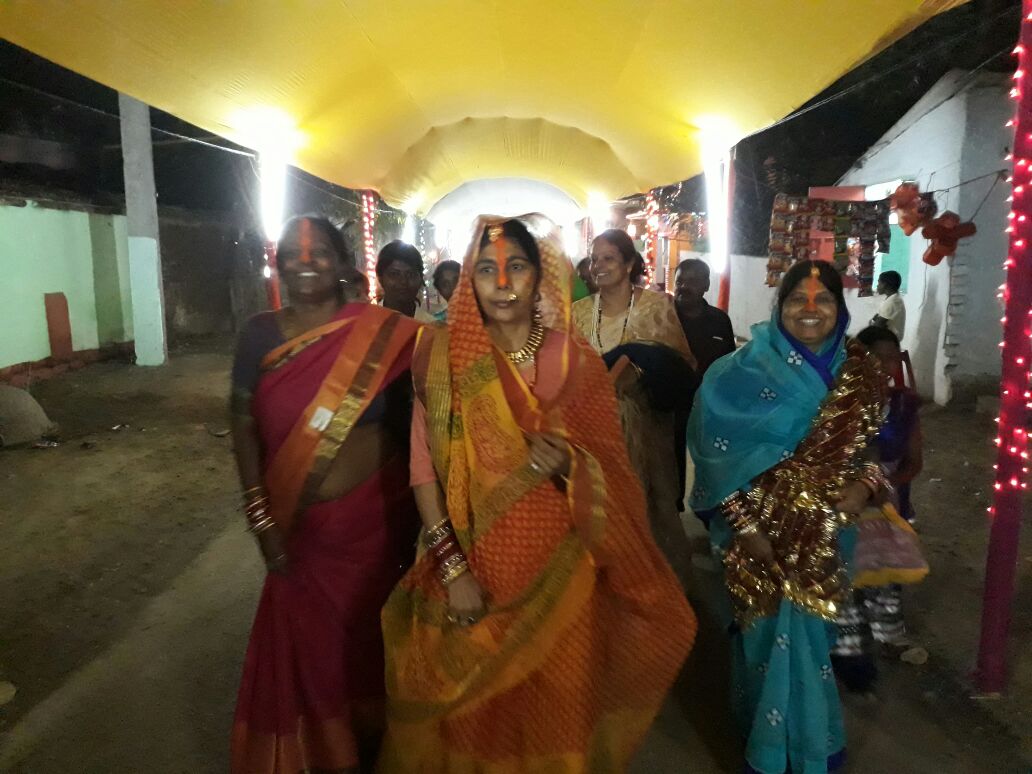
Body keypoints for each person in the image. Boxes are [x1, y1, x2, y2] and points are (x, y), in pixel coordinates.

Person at [379, 215, 696, 773]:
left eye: (516, 267)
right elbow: (423, 469)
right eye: (486, 269)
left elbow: (615, 476)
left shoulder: (576, 362)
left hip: (567, 574)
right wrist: (454, 571)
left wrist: (572, 463)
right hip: (473, 570)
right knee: (479, 716)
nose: (502, 283)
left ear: (538, 275)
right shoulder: (440, 359)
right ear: (468, 283)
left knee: (559, 712)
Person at [229, 215, 423, 774]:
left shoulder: (387, 334)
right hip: (297, 533)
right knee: (311, 658)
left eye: (319, 253)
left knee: (370, 649)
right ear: (277, 262)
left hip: (377, 530)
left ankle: (374, 753)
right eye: (292, 252)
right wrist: (260, 516)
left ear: (343, 264)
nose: (305, 260)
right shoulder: (260, 334)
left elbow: (420, 424)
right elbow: (240, 418)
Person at [687, 260, 889, 774]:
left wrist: (866, 486)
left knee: (812, 639)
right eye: (798, 298)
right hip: (756, 534)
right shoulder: (738, 372)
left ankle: (809, 745)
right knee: (763, 637)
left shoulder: (862, 372)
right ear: (781, 306)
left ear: (840, 309)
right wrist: (747, 527)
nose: (810, 309)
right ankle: (768, 746)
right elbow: (714, 456)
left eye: (823, 300)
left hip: (826, 533)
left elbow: (878, 454)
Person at [572, 228, 697, 575]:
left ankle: (661, 602)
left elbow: (683, 365)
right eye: (594, 259)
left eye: (608, 258)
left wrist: (640, 372)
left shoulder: (656, 307)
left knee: (651, 513)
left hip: (647, 433)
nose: (598, 265)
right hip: (594, 435)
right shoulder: (578, 313)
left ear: (628, 264)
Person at [673, 258, 736, 512]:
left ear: (706, 285)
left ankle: (711, 508)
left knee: (711, 459)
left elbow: (730, 363)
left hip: (710, 405)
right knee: (671, 458)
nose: (684, 287)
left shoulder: (720, 321)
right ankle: (674, 505)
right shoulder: (663, 317)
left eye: (692, 281)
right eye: (680, 281)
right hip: (672, 402)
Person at [376, 240, 436, 322]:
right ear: (380, 278)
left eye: (410, 274)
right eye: (394, 274)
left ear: (421, 278)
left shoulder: (432, 329)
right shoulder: (364, 325)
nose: (403, 281)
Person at [871, 270, 905, 339]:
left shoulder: (893, 302)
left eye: (879, 282)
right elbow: (876, 320)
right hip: (888, 339)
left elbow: (877, 326)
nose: (877, 286)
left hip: (887, 342)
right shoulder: (892, 298)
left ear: (885, 284)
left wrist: (874, 322)